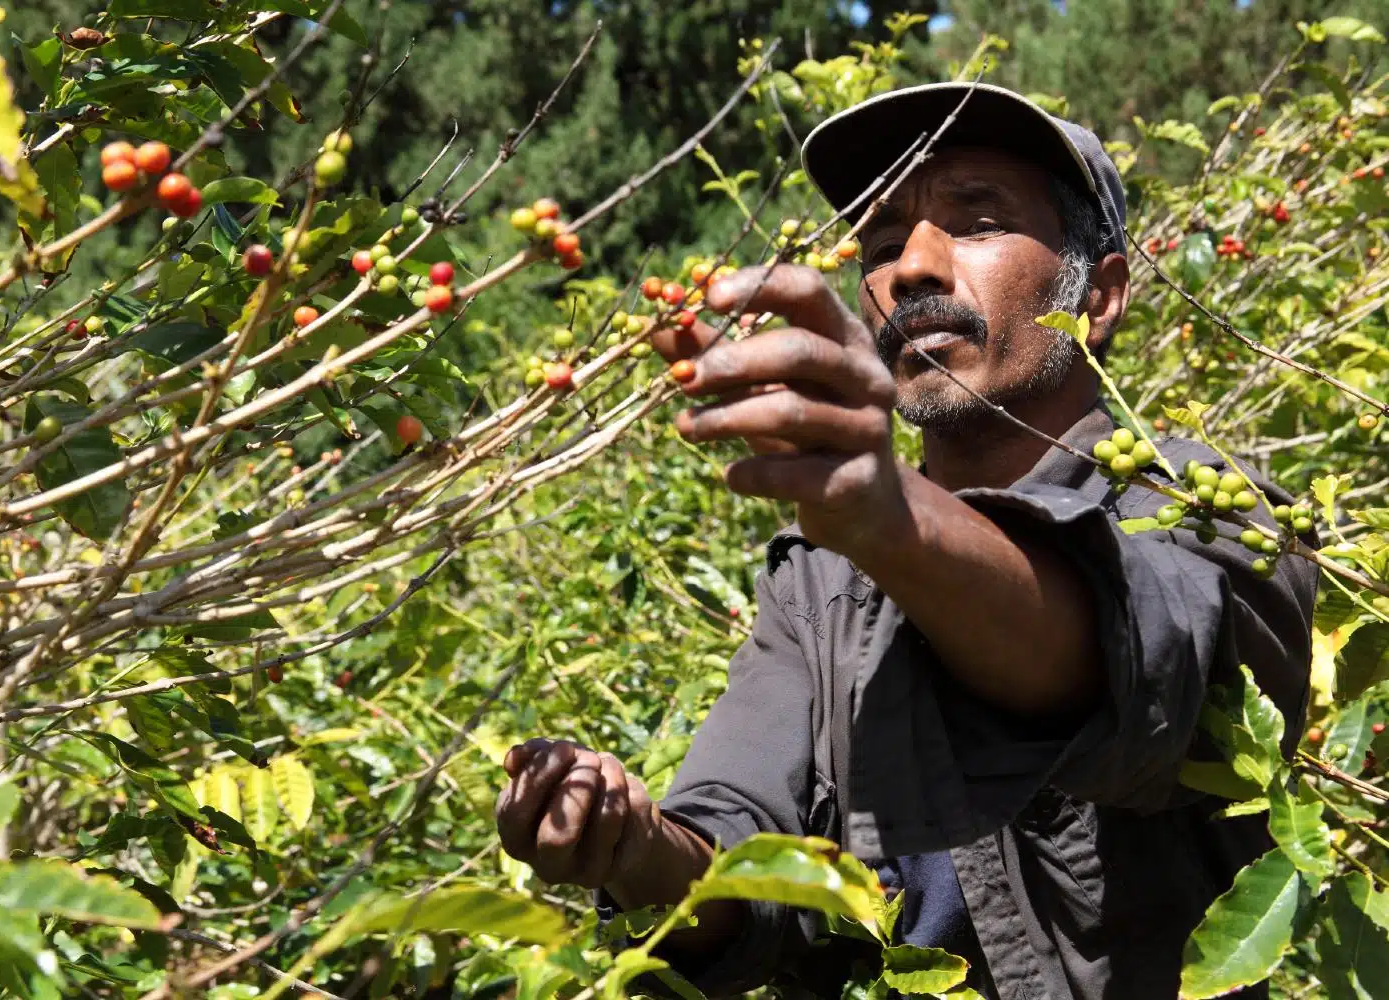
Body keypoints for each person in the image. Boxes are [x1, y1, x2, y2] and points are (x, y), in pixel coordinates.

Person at [493, 83, 1317, 999]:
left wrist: (892, 517)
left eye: (980, 221)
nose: (913, 268)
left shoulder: (1207, 510)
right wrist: (631, 843)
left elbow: (1126, 655)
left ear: (1101, 296)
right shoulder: (821, 582)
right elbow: (737, 855)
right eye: (882, 245)